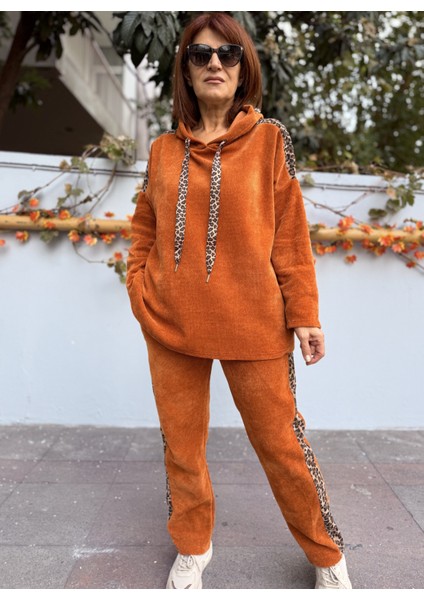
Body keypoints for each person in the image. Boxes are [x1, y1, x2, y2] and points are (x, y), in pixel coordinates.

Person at [126, 12, 352, 590]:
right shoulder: (161, 150)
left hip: (254, 322)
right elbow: (144, 226)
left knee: (282, 445)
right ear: (185, 70)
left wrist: (305, 315)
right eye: (200, 55)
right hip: (170, 322)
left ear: (243, 65)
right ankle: (192, 547)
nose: (214, 64)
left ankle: (327, 555)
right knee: (182, 447)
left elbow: (291, 236)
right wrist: (138, 285)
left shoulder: (270, 140)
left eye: (227, 53)